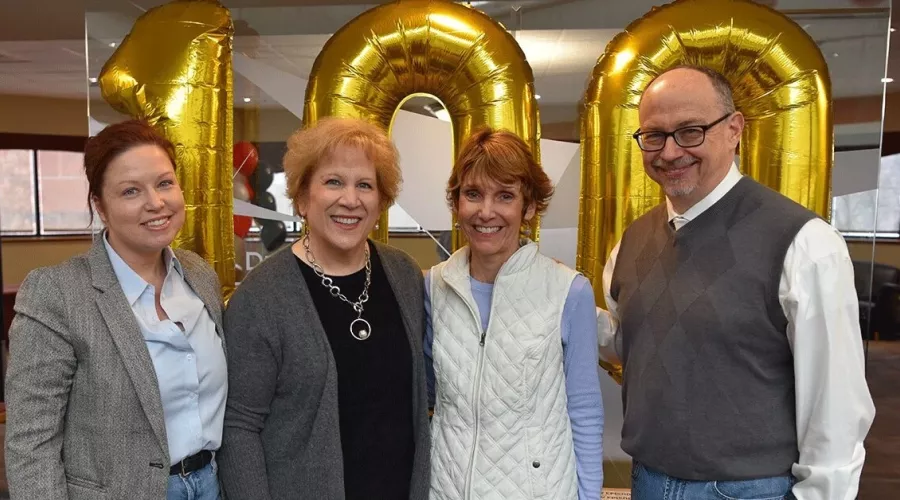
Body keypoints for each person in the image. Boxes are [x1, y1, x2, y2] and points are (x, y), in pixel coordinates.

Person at [598, 65, 876, 500]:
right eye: (653, 135)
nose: (669, 152)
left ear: (734, 130)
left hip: (751, 490)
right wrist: (555, 303)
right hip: (647, 480)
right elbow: (630, 341)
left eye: (690, 131)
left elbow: (835, 405)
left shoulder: (805, 242)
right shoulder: (633, 240)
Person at [6, 119, 228, 500]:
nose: (155, 203)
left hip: (210, 484)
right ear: (100, 206)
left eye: (164, 183)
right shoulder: (57, 293)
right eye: (130, 191)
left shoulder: (198, 275)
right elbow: (31, 443)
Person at [218, 117, 430, 500]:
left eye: (364, 185)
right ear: (302, 197)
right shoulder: (261, 297)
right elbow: (238, 426)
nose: (350, 199)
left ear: (380, 201)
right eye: (333, 181)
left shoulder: (404, 275)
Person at [425, 128, 604, 500]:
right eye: (472, 194)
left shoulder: (568, 292)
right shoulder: (432, 288)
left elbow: (584, 411)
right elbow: (425, 396)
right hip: (446, 489)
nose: (485, 212)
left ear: (530, 206)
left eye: (505, 196)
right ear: (456, 202)